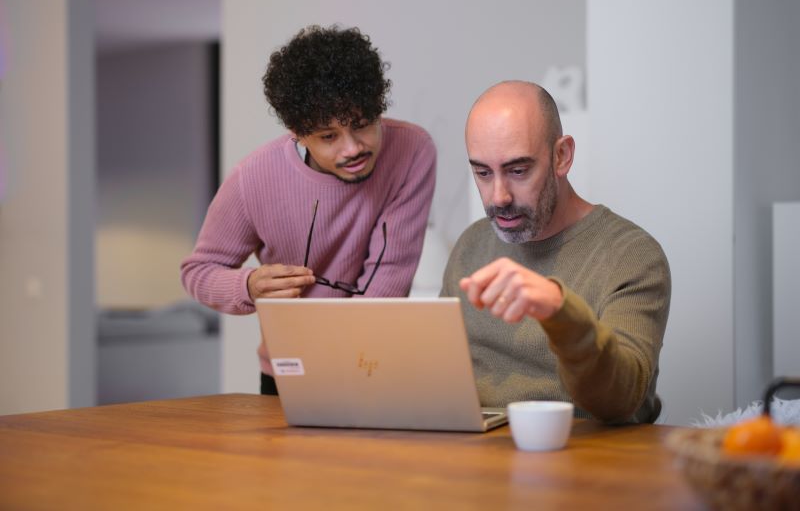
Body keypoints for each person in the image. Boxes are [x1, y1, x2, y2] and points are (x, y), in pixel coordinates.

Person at [181, 25, 436, 394]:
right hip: (289, 373)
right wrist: (249, 286)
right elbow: (198, 271)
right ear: (297, 132)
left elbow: (388, 278)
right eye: (328, 136)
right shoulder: (252, 178)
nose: (352, 148)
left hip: (370, 364)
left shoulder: (412, 151)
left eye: (362, 125)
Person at [441, 80, 670, 423]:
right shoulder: (470, 246)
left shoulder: (632, 255)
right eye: (483, 173)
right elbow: (437, 374)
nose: (499, 196)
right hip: (478, 447)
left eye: (518, 170)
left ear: (561, 156)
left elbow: (621, 399)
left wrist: (560, 311)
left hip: (583, 447)